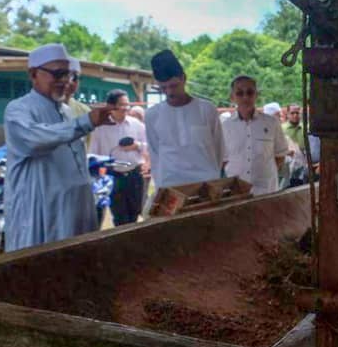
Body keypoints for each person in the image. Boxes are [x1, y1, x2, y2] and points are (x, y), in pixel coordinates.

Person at [3, 43, 115, 251]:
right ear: (34, 74)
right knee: (40, 271)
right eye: (58, 74)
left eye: (69, 75)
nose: (65, 81)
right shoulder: (18, 109)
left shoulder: (68, 111)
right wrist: (86, 122)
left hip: (76, 208)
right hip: (42, 212)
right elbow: (35, 140)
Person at [145, 49, 225, 191]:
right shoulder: (152, 115)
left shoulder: (207, 110)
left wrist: (212, 178)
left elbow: (219, 150)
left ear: (184, 78)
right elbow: (155, 154)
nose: (169, 92)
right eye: (163, 87)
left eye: (173, 85)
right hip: (170, 188)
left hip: (206, 186)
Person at [88, 89, 148, 225]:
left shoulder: (137, 125)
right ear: (111, 106)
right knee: (120, 217)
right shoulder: (100, 128)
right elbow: (93, 154)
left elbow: (150, 146)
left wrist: (137, 146)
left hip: (135, 175)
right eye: (122, 105)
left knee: (135, 213)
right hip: (113, 176)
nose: (126, 108)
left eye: (127, 104)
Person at [222, 75, 290, 196]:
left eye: (250, 92)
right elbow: (223, 161)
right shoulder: (225, 126)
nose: (245, 97)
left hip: (266, 192)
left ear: (256, 95)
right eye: (239, 93)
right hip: (235, 193)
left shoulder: (272, 123)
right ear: (232, 97)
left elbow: (280, 156)